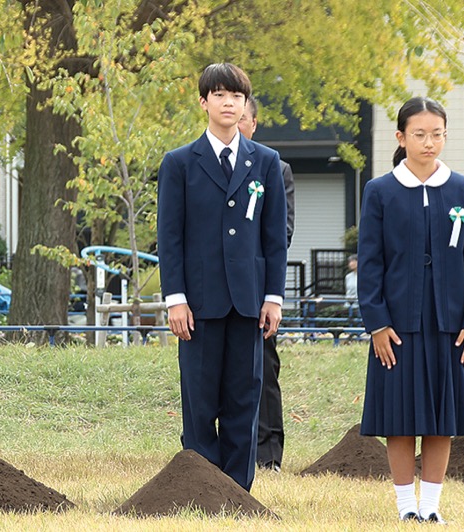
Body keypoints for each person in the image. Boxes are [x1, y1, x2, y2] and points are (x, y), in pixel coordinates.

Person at [157, 63, 287, 491]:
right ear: (203, 102)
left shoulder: (266, 162)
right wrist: (175, 298)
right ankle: (201, 488)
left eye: (236, 96)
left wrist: (273, 297)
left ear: (245, 104)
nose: (229, 103)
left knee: (244, 398)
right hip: (197, 303)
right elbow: (169, 237)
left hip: (249, 301)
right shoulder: (179, 163)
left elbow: (274, 238)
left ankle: (236, 491)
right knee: (199, 399)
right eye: (219, 95)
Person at [358, 97, 464, 523]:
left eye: (437, 134)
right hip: (397, 325)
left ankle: (430, 508)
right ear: (401, 137)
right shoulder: (380, 192)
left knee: (441, 417)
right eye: (419, 134)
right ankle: (405, 508)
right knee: (399, 417)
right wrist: (377, 323)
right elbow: (370, 263)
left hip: (451, 326)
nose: (429, 142)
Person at [237, 96, 295, 473]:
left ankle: (267, 452)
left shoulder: (275, 168)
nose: (236, 123)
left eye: (243, 118)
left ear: (254, 124)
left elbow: (281, 233)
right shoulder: (199, 165)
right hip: (213, 290)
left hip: (256, 289)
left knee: (263, 367)